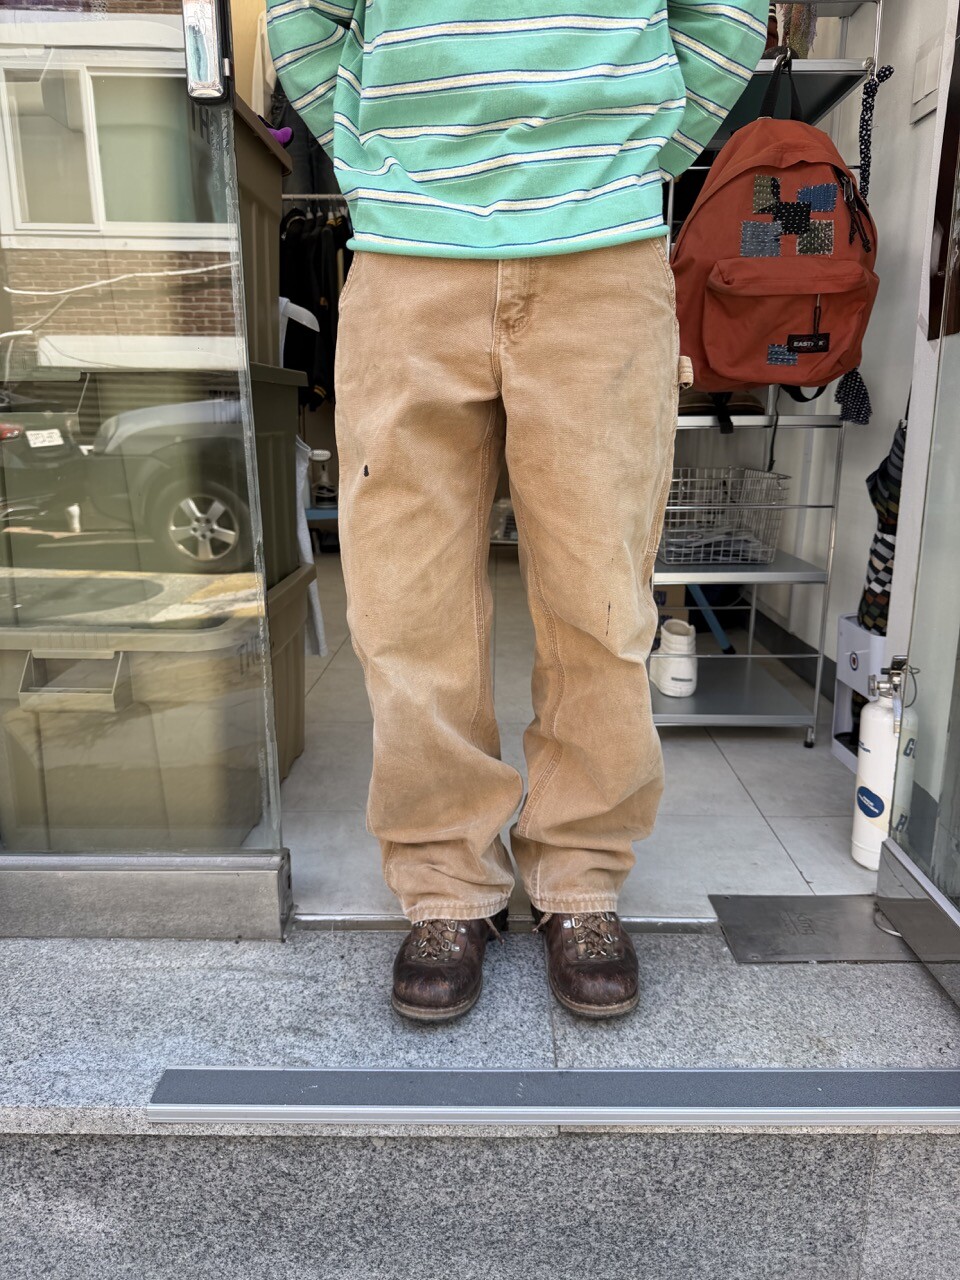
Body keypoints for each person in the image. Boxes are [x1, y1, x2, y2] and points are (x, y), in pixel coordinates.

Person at [268, 0, 767, 1021]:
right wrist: (380, 161)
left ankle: (579, 873)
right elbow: (301, 15)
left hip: (601, 249)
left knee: (600, 595)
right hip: (410, 252)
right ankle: (446, 878)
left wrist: (632, 153)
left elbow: (726, 15)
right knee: (405, 602)